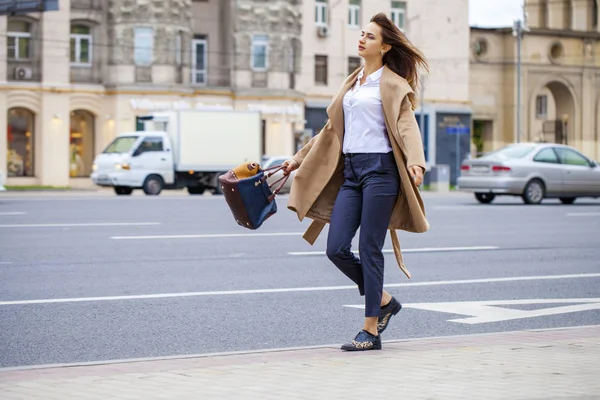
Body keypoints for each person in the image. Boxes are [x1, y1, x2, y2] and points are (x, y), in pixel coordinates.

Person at [282, 12, 430, 351]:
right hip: (351, 173)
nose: (362, 39)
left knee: (369, 248)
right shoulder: (353, 83)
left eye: (370, 36)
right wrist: (296, 159)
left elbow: (407, 125)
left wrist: (416, 162)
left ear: (385, 46)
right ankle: (385, 301)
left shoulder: (391, 84)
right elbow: (329, 131)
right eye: (361, 34)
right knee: (336, 248)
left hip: (381, 171)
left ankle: (371, 331)